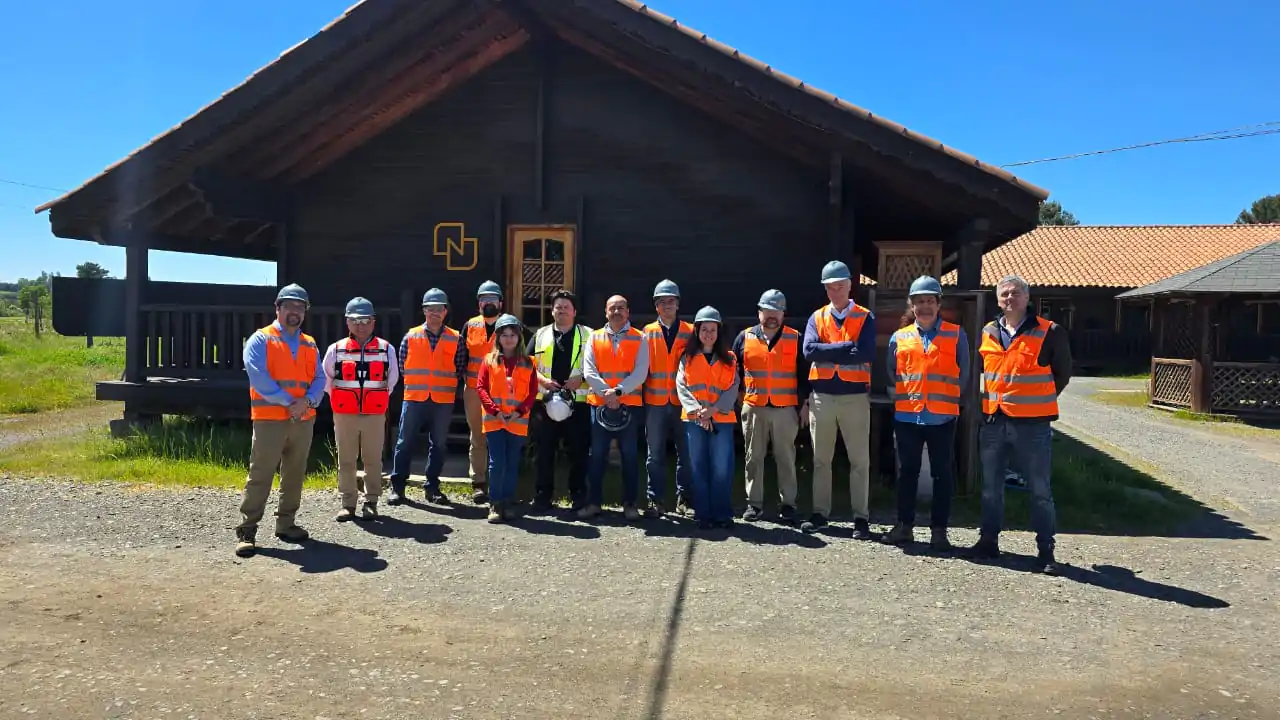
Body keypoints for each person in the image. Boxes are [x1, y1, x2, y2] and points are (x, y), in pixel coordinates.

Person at [971, 275, 1072, 574]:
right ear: (997, 300)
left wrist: (1037, 401)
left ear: (1027, 298)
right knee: (991, 487)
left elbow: (1062, 374)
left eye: (1015, 293)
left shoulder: (1049, 331)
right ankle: (988, 541)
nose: (1009, 298)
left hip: (1033, 426)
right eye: (1004, 294)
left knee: (1040, 490)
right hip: (994, 421)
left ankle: (1046, 551)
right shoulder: (988, 331)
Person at [234, 283, 326, 558]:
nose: (295, 311)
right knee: (261, 474)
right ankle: (247, 530)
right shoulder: (260, 339)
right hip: (270, 419)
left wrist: (307, 402)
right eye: (290, 306)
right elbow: (258, 377)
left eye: (301, 307)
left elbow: (320, 378)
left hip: (303, 418)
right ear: (277, 308)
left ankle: (286, 524)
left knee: (295, 474)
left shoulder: (310, 343)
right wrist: (290, 402)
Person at [881, 276, 968, 551]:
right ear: (912, 305)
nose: (925, 306)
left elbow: (964, 374)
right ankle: (904, 527)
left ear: (939, 304)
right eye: (919, 301)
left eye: (930, 300)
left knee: (942, 474)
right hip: (908, 417)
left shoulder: (956, 334)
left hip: (942, 418)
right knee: (907, 473)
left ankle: (939, 531)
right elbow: (892, 372)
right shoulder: (899, 337)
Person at [801, 260, 877, 538]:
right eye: (830, 288)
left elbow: (865, 353)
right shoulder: (817, 317)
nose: (835, 292)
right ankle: (820, 513)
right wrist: (846, 347)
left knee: (859, 461)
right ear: (825, 289)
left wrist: (827, 350)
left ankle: (861, 518)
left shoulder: (865, 317)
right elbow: (808, 351)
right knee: (821, 459)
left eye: (840, 287)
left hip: (854, 398)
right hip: (822, 397)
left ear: (849, 286)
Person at [733, 289, 808, 523]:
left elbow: (805, 375)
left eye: (777, 311)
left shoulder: (796, 338)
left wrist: (805, 404)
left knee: (786, 458)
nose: (772, 316)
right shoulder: (744, 337)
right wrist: (740, 398)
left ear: (784, 313)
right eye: (767, 311)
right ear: (759, 312)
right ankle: (754, 504)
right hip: (754, 407)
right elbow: (734, 371)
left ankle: (788, 504)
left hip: (785, 409)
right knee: (753, 457)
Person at [323, 297, 399, 522]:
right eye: (355, 320)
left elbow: (392, 379)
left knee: (373, 459)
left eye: (365, 320)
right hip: (344, 413)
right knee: (346, 459)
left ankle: (371, 502)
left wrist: (375, 399)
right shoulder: (336, 349)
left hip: (374, 414)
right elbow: (326, 378)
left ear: (373, 321)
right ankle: (348, 504)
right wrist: (342, 398)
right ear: (347, 322)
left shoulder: (386, 349)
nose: (360, 325)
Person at [581, 294, 649, 521]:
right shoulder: (594, 337)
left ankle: (630, 504)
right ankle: (593, 503)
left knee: (630, 456)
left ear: (628, 312)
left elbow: (641, 372)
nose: (617, 312)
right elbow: (589, 370)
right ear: (606, 312)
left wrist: (618, 392)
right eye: (612, 308)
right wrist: (607, 394)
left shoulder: (640, 338)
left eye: (621, 308)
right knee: (597, 456)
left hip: (628, 405)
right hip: (599, 405)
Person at [389, 288, 459, 505]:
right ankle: (397, 488)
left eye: (439, 309)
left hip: (443, 400)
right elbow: (402, 366)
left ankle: (432, 488)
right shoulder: (411, 336)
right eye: (430, 309)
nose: (434, 313)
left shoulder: (456, 338)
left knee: (438, 444)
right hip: (414, 397)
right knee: (404, 442)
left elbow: (460, 367)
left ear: (445, 311)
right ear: (424, 311)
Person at [527, 290, 592, 512]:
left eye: (566, 307)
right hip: (545, 402)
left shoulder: (590, 335)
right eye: (558, 307)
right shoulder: (540, 335)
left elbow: (599, 365)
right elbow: (526, 366)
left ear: (574, 311)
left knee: (579, 452)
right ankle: (542, 497)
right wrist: (542, 380)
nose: (562, 310)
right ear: (552, 311)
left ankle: (578, 496)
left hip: (579, 402)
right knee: (544, 452)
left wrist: (582, 378)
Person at [677, 306, 739, 530]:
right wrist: (698, 411)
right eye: (704, 329)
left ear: (719, 331)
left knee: (721, 468)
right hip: (694, 420)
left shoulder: (730, 358)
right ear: (697, 331)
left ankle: (721, 514)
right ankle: (703, 514)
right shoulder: (687, 357)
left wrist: (713, 410)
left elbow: (733, 387)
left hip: (721, 419)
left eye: (713, 329)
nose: (708, 334)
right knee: (698, 466)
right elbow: (682, 386)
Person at [476, 314, 536, 523]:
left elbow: (532, 392)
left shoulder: (529, 363)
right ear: (498, 338)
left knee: (512, 462)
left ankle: (508, 502)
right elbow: (481, 388)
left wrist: (519, 412)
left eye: (512, 335)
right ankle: (495, 502)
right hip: (495, 419)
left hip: (517, 420)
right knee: (497, 462)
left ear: (519, 337)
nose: (509, 339)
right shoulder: (488, 360)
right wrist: (495, 411)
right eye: (504, 335)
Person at [641, 279, 695, 517]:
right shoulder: (647, 332)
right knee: (654, 455)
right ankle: (655, 499)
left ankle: (685, 499)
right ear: (656, 306)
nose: (667, 305)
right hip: (655, 402)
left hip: (683, 403)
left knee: (686, 453)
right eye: (662, 302)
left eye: (671, 301)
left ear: (678, 304)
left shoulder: (690, 331)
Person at [458, 280, 505, 504]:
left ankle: (500, 483)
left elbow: (524, 354)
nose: (488, 303)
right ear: (479, 304)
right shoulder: (470, 325)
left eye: (492, 299)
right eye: (484, 299)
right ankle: (478, 483)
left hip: (502, 392)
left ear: (500, 303)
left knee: (499, 437)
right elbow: (460, 357)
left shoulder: (509, 325)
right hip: (474, 392)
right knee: (477, 437)